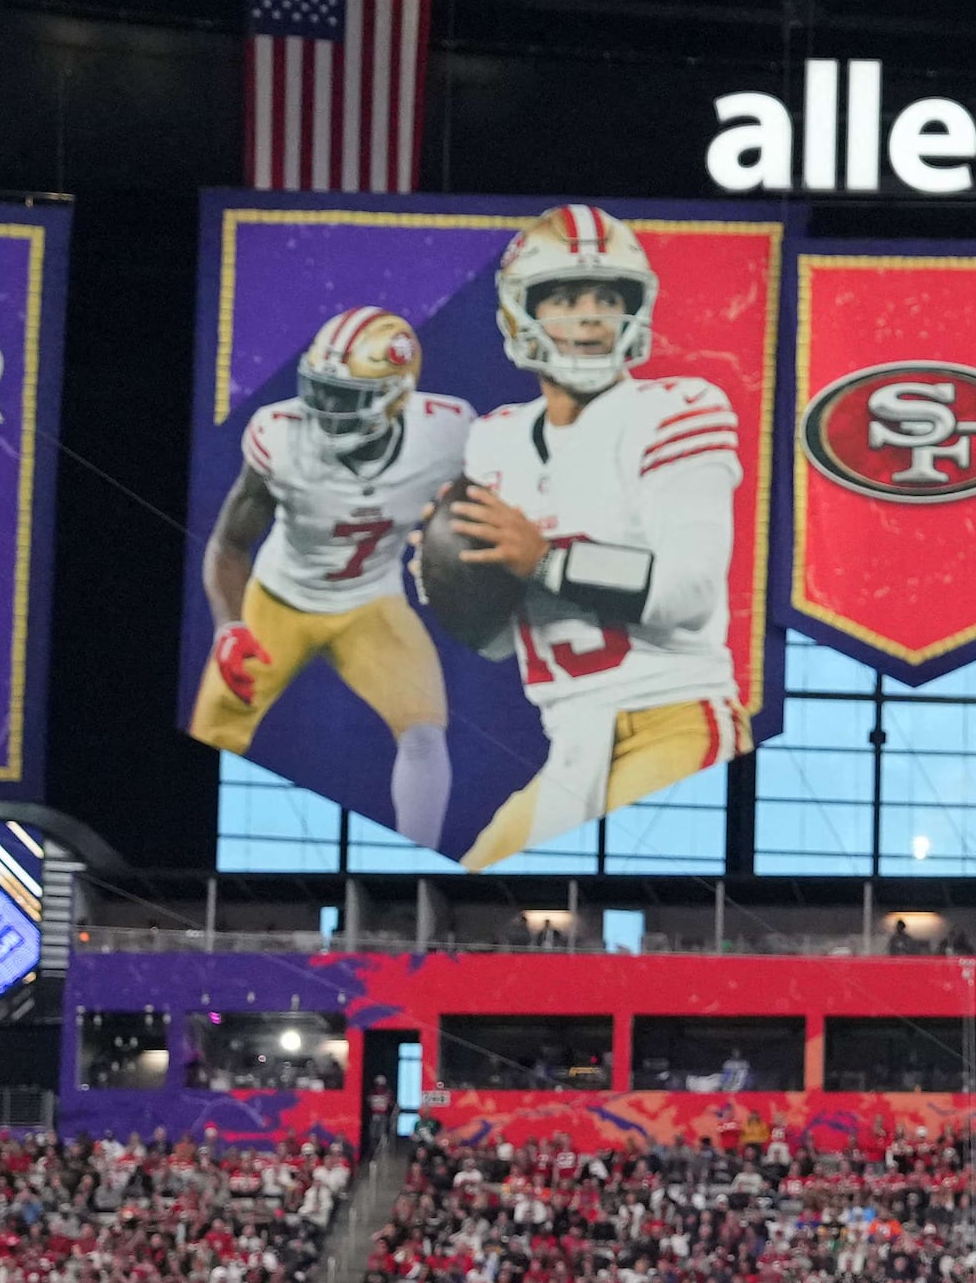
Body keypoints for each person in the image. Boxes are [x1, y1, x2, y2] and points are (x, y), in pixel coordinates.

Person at [434, 208, 752, 871]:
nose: (590, 316)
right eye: (565, 297)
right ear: (519, 314)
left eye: (609, 296)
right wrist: (451, 581)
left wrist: (546, 560)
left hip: (675, 719)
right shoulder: (493, 438)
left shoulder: (679, 408)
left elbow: (689, 590)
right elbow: (500, 645)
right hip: (572, 744)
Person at [192, 304, 473, 850]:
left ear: (396, 396)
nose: (323, 409)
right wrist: (228, 625)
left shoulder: (448, 433)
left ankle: (419, 873)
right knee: (211, 737)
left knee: (423, 736)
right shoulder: (280, 435)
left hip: (371, 604)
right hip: (277, 601)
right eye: (318, 389)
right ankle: (182, 863)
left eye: (344, 397)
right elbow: (228, 544)